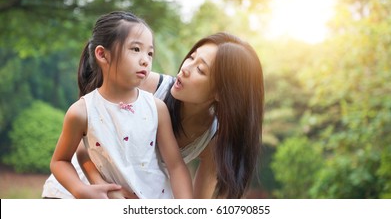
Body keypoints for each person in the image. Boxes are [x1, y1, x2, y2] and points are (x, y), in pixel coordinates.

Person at [43, 31, 264, 199]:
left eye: (201, 69)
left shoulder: (212, 138)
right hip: (78, 189)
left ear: (221, 92)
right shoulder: (146, 87)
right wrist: (104, 189)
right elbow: (84, 145)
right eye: (192, 57)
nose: (185, 68)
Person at [49, 11, 193, 199]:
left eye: (150, 53)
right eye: (135, 49)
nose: (145, 60)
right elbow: (59, 161)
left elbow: (176, 166)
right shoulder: (82, 112)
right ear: (102, 54)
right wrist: (80, 189)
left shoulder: (156, 108)